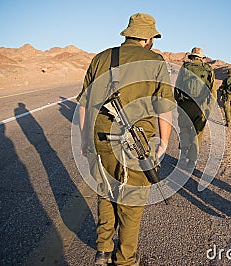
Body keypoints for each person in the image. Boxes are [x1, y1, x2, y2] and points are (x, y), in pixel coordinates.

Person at [76, 13, 175, 265]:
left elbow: (84, 105)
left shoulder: (101, 58)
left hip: (101, 140)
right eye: (153, 36)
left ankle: (103, 250)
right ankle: (125, 259)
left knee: (106, 193)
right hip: (137, 145)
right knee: (131, 205)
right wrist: (164, 143)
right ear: (148, 38)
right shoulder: (156, 61)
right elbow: (164, 107)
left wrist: (85, 140)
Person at [174, 47, 217, 169]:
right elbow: (213, 92)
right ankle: (192, 162)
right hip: (201, 107)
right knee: (197, 134)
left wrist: (179, 103)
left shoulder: (186, 67)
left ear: (192, 57)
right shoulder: (208, 70)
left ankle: (182, 156)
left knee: (184, 130)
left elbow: (178, 87)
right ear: (201, 58)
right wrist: (208, 107)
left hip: (186, 105)